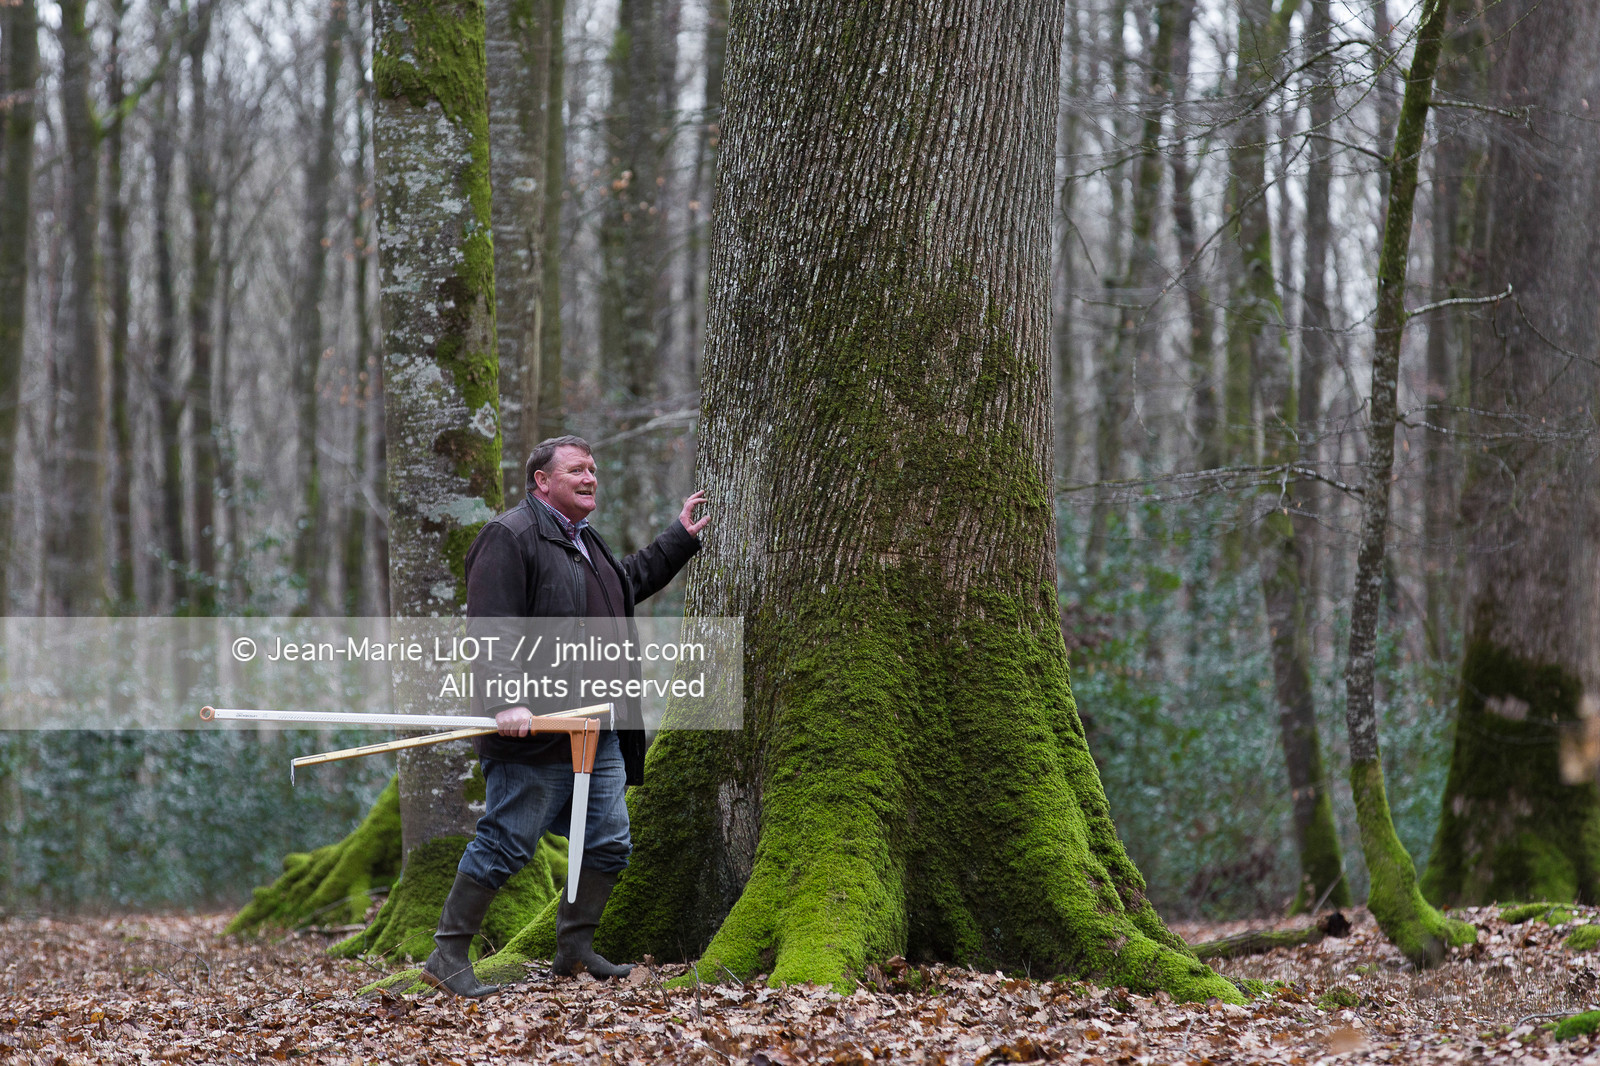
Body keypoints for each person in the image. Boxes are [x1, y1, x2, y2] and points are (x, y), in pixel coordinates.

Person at [421, 435, 710, 997]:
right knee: (506, 843)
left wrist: (678, 540)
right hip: (537, 732)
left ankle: (575, 950)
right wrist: (505, 698)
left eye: (594, 470)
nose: (590, 478)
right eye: (576, 470)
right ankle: (447, 955)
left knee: (608, 841)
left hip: (597, 730)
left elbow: (625, 584)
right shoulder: (509, 536)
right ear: (541, 481)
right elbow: (491, 626)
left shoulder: (585, 544)